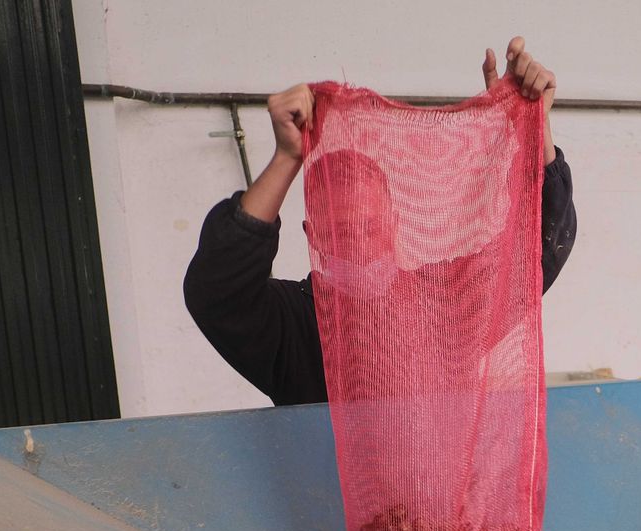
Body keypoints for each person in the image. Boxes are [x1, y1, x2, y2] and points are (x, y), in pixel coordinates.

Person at [184, 38, 576, 405]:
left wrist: (529, 128)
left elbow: (536, 246)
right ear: (312, 234)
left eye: (370, 227)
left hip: (443, 482)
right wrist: (287, 156)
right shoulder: (293, 325)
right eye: (342, 232)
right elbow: (216, 290)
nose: (359, 244)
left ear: (393, 221)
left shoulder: (444, 303)